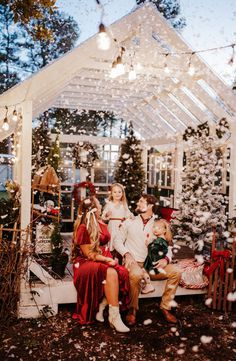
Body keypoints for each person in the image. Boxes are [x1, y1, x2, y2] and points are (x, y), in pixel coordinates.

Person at [113, 194, 181, 326]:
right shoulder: (130, 221)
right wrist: (126, 254)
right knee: (136, 275)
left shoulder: (158, 224)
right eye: (138, 201)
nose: (138, 203)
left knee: (176, 272)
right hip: (133, 263)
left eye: (142, 201)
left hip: (152, 264)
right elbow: (117, 240)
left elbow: (169, 244)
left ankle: (165, 307)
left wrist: (166, 259)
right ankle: (132, 309)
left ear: (150, 206)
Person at [71, 196, 130, 332]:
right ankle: (115, 317)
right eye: (99, 204)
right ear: (94, 209)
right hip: (86, 263)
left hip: (102, 258)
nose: (101, 206)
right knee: (111, 272)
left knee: (122, 272)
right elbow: (89, 254)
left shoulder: (99, 222)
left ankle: (103, 306)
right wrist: (106, 260)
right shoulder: (83, 228)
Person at [102, 183, 133, 251]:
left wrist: (130, 215)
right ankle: (111, 253)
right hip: (112, 226)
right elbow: (103, 216)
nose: (117, 194)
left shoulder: (123, 204)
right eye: (115, 192)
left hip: (121, 226)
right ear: (111, 194)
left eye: (119, 192)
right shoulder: (109, 204)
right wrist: (107, 215)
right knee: (112, 240)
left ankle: (118, 255)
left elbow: (128, 214)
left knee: (120, 240)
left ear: (122, 193)